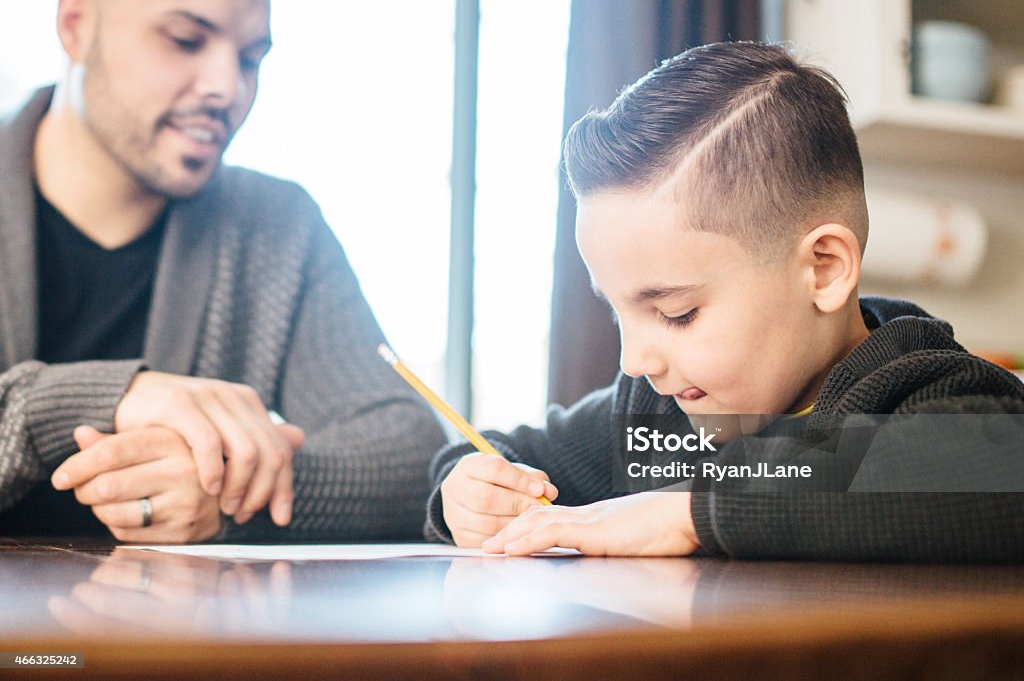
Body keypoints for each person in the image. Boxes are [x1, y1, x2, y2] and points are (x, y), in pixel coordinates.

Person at [425, 42, 1024, 562]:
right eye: (618, 312)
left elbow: (991, 471)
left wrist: (688, 512)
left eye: (675, 313)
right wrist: (469, 488)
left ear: (824, 270)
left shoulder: (930, 393)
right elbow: (504, 453)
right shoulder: (654, 420)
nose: (635, 360)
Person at [0, 0, 447, 542]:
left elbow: (411, 455)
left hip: (172, 626)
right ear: (75, 25)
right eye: (186, 40)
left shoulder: (277, 227)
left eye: (250, 59)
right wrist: (90, 400)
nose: (227, 88)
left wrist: (232, 491)